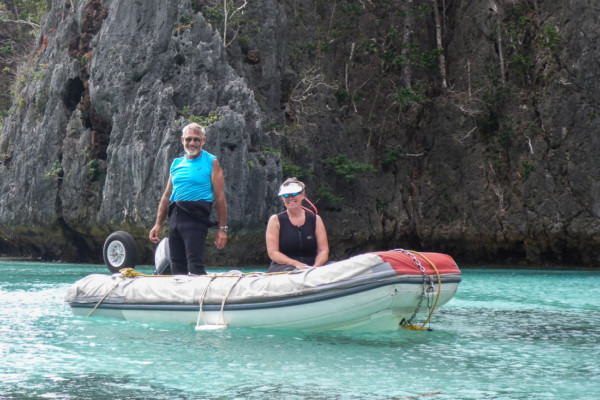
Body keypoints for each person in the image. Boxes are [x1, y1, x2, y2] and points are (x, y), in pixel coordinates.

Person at [149, 123, 228, 275]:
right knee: (177, 265)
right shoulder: (176, 163)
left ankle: (202, 296)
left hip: (196, 219)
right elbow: (166, 196)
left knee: (195, 264)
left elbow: (219, 197)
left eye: (196, 140)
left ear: (203, 141)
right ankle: (179, 296)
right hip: (175, 218)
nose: (192, 143)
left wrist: (222, 229)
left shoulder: (211, 162)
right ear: (182, 140)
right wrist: (158, 224)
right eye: (189, 139)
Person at [265, 178, 329, 272]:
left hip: (312, 266)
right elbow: (273, 253)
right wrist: (297, 264)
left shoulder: (315, 219)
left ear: (302, 195)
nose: (290, 198)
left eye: (294, 194)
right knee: (292, 271)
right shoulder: (275, 220)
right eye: (286, 195)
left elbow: (323, 251)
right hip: (284, 267)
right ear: (283, 198)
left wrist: (316, 267)